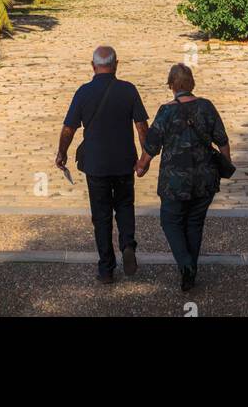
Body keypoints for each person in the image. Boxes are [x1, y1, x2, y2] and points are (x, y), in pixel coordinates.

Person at [56, 45, 149, 283]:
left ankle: (106, 269)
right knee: (125, 206)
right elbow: (141, 127)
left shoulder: (83, 92)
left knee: (101, 215)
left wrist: (62, 153)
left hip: (96, 165)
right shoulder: (128, 90)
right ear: (116, 64)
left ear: (93, 65)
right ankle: (127, 243)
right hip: (123, 162)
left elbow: (69, 128)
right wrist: (144, 159)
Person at [136, 63, 231, 292]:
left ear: (171, 86)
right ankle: (189, 272)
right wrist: (225, 165)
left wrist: (142, 166)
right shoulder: (207, 107)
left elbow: (152, 145)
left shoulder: (166, 111)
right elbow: (222, 141)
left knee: (170, 222)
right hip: (205, 180)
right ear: (191, 84)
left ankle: (186, 264)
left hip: (174, 182)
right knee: (194, 224)